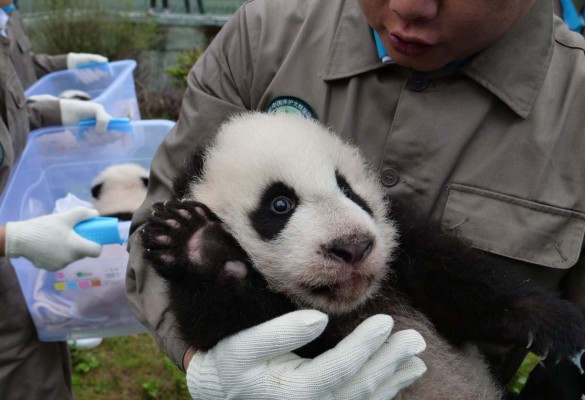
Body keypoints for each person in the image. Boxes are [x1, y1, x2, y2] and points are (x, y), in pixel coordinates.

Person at [126, 0, 585, 398]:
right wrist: (206, 367)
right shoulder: (260, 36)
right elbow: (163, 224)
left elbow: (451, 278)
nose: (409, 7)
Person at [0, 1, 114, 398]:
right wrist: (10, 239)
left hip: (18, 294)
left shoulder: (5, 18)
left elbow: (12, 99)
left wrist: (59, 110)